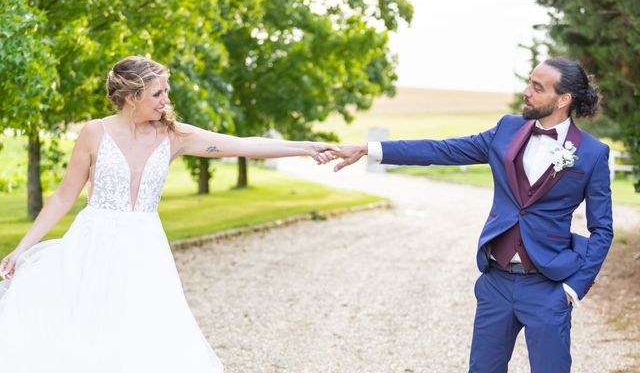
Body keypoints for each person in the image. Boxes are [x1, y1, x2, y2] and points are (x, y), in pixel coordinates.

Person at [0, 55, 338, 373]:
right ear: (131, 97)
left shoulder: (174, 136)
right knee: (88, 330)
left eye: (166, 92)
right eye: (158, 93)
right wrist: (23, 247)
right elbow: (62, 197)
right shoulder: (94, 133)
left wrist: (306, 148)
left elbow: (243, 144)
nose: (166, 101)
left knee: (145, 335)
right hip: (93, 246)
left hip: (145, 249)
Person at [333, 58, 614, 372]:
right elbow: (443, 150)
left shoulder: (591, 153)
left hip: (548, 288)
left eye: (537, 87)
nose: (526, 92)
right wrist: (368, 150)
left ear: (563, 100)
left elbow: (602, 230)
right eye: (528, 82)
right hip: (496, 283)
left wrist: (573, 289)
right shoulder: (507, 130)